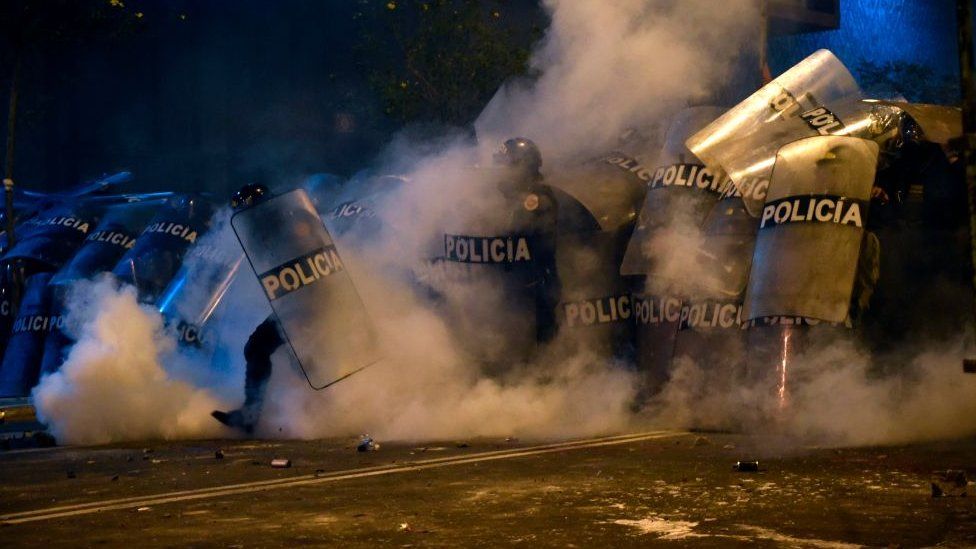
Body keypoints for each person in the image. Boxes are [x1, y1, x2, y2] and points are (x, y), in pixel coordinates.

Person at [212, 184, 284, 434]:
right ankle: (253, 413)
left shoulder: (284, 227)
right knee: (261, 347)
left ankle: (250, 415)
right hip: (300, 302)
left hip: (307, 302)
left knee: (257, 347)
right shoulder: (281, 225)